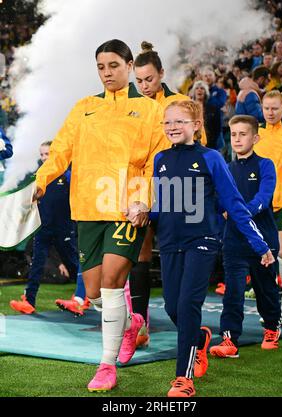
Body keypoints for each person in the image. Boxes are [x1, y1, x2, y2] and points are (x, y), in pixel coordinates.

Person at [33, 39, 169, 392]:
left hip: (127, 208)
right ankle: (132, 322)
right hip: (88, 208)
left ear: (128, 65)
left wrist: (144, 201)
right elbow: (61, 149)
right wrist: (42, 180)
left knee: (110, 283)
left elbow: (159, 160)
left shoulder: (151, 111)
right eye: (101, 67)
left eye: (113, 65)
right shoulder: (84, 108)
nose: (107, 73)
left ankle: (106, 366)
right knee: (93, 293)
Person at [153, 100, 274, 397]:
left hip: (203, 242)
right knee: (172, 307)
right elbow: (163, 205)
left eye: (180, 121)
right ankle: (201, 339)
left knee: (187, 305)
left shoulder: (211, 158)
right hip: (169, 243)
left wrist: (260, 245)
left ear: (196, 125)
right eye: (168, 122)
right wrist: (143, 209)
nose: (173, 127)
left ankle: (184, 378)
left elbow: (233, 204)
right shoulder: (160, 159)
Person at [129, 41, 200, 349]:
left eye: (149, 79)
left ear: (162, 73)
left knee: (180, 257)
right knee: (140, 256)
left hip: (178, 189)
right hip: (141, 187)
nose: (144, 85)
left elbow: (200, 146)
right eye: (139, 80)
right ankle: (141, 326)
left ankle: (188, 325)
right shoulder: (131, 106)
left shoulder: (181, 102)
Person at [209, 115, 281, 359]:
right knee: (233, 291)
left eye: (243, 134)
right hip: (234, 242)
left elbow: (265, 197)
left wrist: (239, 213)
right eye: (233, 134)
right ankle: (230, 339)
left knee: (266, 289)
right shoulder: (226, 168)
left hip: (264, 240)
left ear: (255, 137)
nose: (237, 139)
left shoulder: (265, 165)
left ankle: (271, 327)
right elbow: (217, 200)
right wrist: (222, 209)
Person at [10, 141, 79, 314]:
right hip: (43, 228)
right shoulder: (38, 175)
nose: (44, 158)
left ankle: (84, 297)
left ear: (55, 153)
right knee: (37, 264)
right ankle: (29, 301)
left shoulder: (67, 175)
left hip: (64, 228)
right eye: (41, 154)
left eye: (47, 154)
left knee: (74, 264)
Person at [254, 90, 282, 324]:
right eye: (266, 108)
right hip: (262, 203)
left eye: (275, 108)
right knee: (267, 255)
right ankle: (272, 306)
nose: (270, 112)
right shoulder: (256, 135)